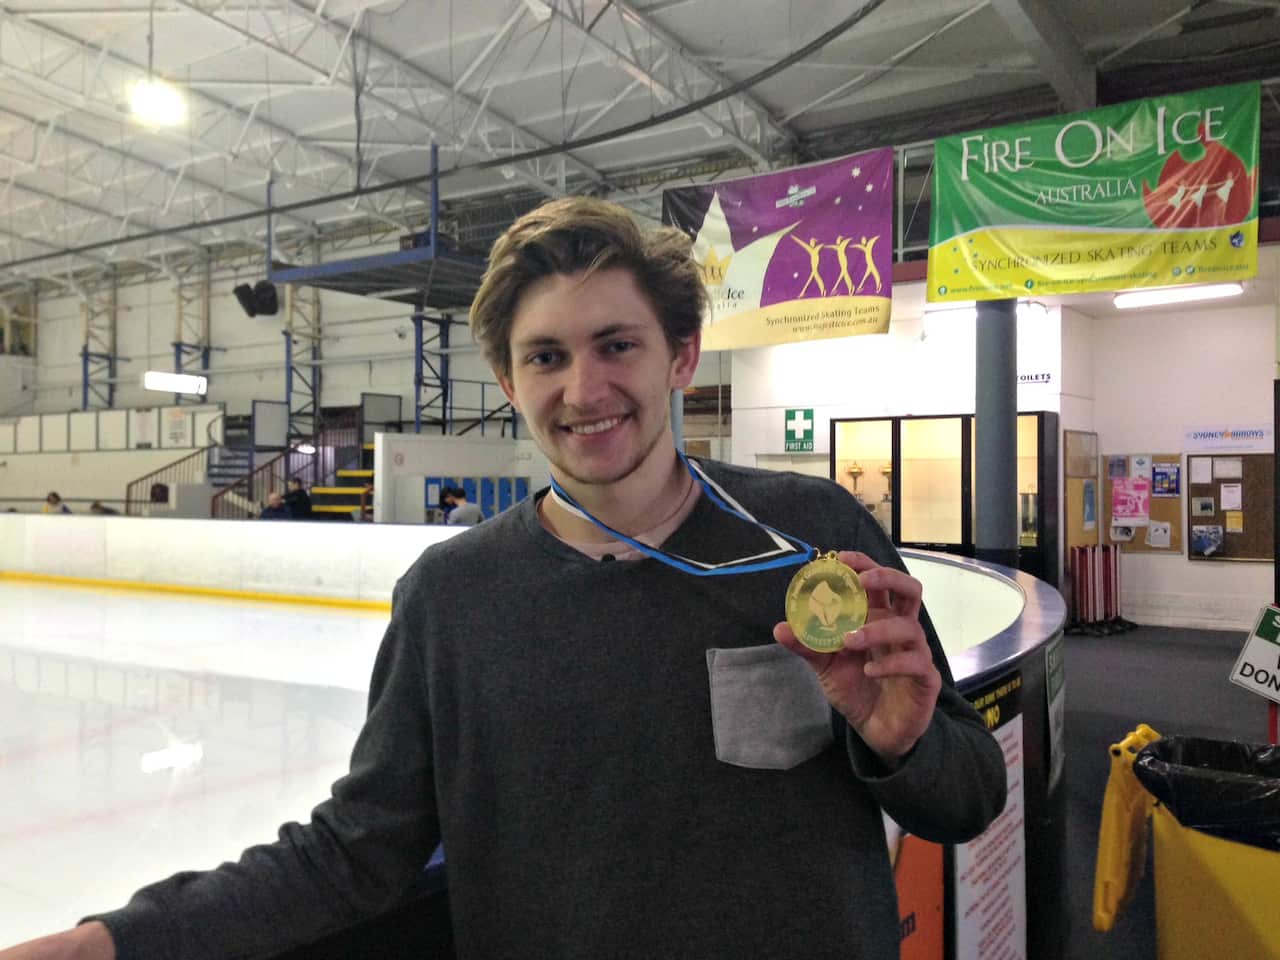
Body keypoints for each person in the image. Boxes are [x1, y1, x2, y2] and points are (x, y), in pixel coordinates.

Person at [1, 197, 1005, 960]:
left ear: (680, 359)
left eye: (617, 345)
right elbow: (359, 849)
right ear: (509, 381)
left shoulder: (810, 533)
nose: (584, 388)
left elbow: (960, 799)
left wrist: (905, 737)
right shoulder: (453, 597)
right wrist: (119, 940)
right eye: (545, 357)